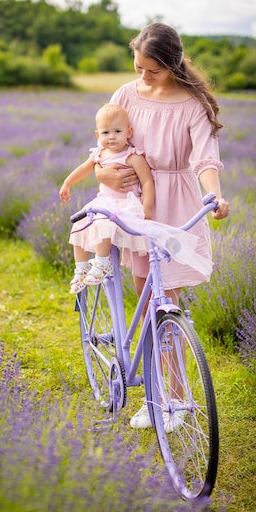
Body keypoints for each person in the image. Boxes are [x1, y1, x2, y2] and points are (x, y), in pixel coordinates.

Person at [94, 23, 230, 429]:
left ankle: (170, 396)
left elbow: (205, 159)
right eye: (138, 68)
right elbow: (104, 147)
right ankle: (158, 393)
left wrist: (215, 196)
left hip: (174, 203)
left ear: (172, 65)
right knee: (146, 295)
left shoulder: (192, 104)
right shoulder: (126, 94)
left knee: (163, 298)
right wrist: (104, 176)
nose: (143, 77)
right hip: (135, 204)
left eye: (151, 70)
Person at [59, 103, 155, 294]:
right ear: (97, 135)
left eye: (117, 131)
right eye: (105, 133)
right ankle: (81, 268)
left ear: (129, 132)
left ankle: (103, 264)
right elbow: (83, 169)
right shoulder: (99, 154)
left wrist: (147, 207)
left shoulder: (132, 157)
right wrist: (67, 183)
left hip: (125, 205)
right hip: (103, 202)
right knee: (80, 225)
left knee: (104, 223)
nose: (111, 137)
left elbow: (147, 183)